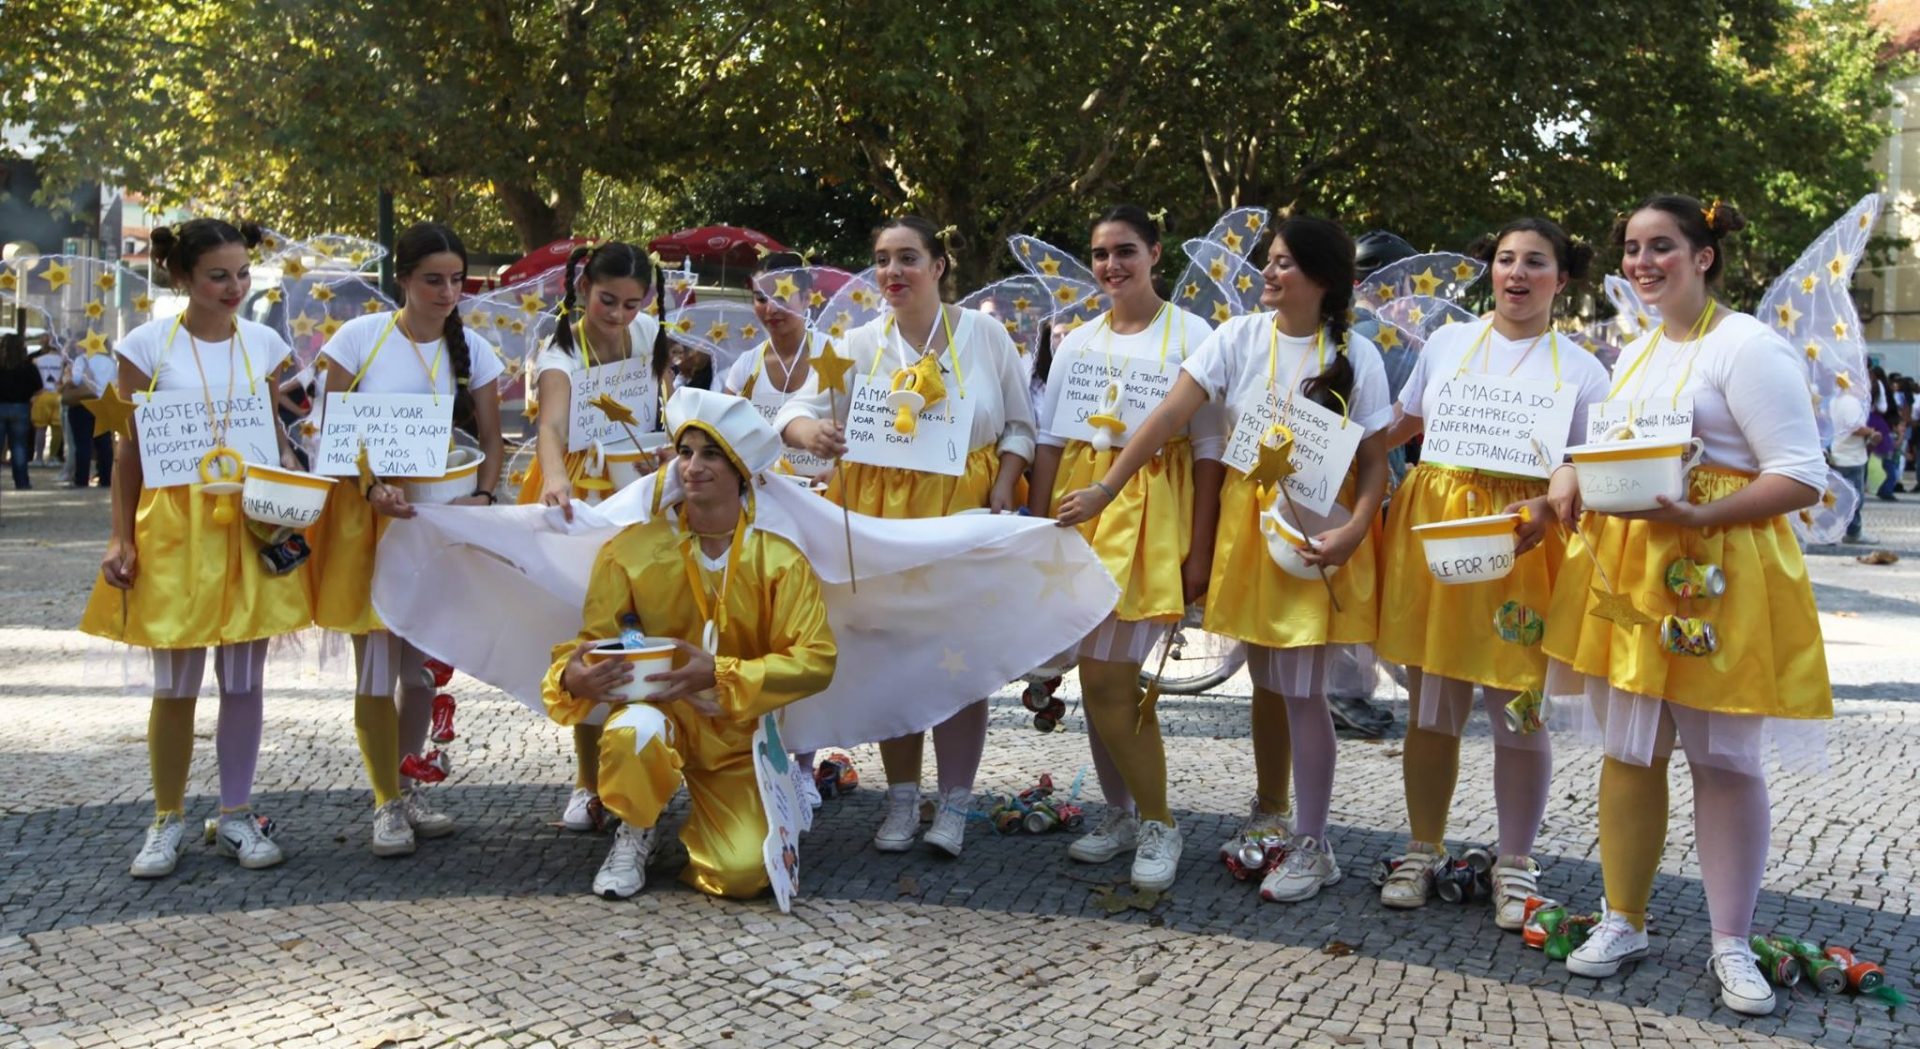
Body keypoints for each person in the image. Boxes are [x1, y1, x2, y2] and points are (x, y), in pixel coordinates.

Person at [1544, 196, 1830, 1016]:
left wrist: (1701, 515)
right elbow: (1600, 455)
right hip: (1636, 576)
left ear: (1703, 256)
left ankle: (1731, 942)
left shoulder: (1745, 346)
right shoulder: (1635, 353)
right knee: (1630, 752)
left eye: (1660, 246)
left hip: (1720, 575)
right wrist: (1565, 481)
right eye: (1631, 248)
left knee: (1724, 759)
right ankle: (1623, 917)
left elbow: (1800, 473)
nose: (1641, 262)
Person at [1058, 215, 1393, 904]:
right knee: (1271, 681)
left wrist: (1356, 532)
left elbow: (1374, 465)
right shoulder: (1238, 337)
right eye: (1267, 261)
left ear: (1322, 279)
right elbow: (1166, 418)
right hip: (1252, 536)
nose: (1267, 274)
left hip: (1311, 540)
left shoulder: (1358, 354)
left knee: (1303, 692)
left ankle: (1315, 843)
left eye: (1283, 264)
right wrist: (1107, 485)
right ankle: (1275, 813)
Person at [1372, 218, 1610, 928]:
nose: (1516, 273)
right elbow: (1402, 423)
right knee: (1431, 703)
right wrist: (1322, 445)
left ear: (1560, 280)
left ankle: (1515, 860)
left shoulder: (1584, 368)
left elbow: (1592, 467)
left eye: (1535, 262)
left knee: (1518, 711)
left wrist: (1556, 490)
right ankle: (1422, 846)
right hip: (1437, 535)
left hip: (1524, 546)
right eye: (1506, 259)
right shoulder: (1447, 343)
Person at [778, 216, 1037, 858]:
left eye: (908, 258)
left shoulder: (983, 336)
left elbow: (1019, 425)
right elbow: (793, 410)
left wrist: (1007, 481)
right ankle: (900, 797)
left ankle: (953, 802)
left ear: (939, 266)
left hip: (960, 514)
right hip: (880, 518)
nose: (893, 272)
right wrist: (811, 436)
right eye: (882, 259)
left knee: (959, 659)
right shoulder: (858, 343)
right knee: (894, 655)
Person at [77, 218, 313, 878]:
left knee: (243, 680)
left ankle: (236, 812)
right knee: (175, 682)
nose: (234, 286)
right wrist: (119, 536)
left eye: (243, 273)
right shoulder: (147, 345)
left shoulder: (263, 344)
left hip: (248, 526)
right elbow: (126, 455)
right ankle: (167, 817)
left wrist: (295, 467)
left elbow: (276, 433)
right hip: (176, 529)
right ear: (183, 277)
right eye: (218, 275)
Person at [546, 388, 836, 898]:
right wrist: (574, 676)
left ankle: (741, 808)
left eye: (710, 454)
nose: (692, 466)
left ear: (741, 469)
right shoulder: (631, 550)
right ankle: (635, 826)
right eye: (685, 452)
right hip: (659, 713)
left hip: (736, 735)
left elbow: (815, 660)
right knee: (634, 730)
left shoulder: (779, 559)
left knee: (743, 876)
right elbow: (591, 645)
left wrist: (720, 674)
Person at [1027, 206, 1224, 890]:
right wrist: (1033, 528)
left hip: (1149, 516)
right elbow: (1050, 443)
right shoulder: (1076, 340)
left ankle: (1161, 820)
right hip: (1080, 512)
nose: (1111, 264)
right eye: (1101, 253)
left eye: (1125, 250)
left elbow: (1207, 453)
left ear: (1156, 253)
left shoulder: (1192, 335)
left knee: (1112, 680)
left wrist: (1199, 551)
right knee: (1095, 677)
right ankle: (1121, 812)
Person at [307, 222, 505, 856]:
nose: (447, 292)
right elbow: (329, 432)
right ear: (404, 280)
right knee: (374, 668)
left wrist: (483, 496)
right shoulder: (359, 337)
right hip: (370, 521)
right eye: (433, 280)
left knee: (421, 671)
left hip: (436, 523)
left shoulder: (473, 347)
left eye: (456, 281)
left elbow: (494, 443)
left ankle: (410, 780)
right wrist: (369, 489)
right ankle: (384, 802)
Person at [522, 240, 668, 831]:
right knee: (589, 635)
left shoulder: (651, 334)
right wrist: (556, 481)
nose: (619, 315)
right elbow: (552, 426)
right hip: (581, 493)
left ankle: (638, 769)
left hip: (641, 487)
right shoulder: (560, 350)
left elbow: (657, 411)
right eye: (608, 300)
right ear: (583, 289)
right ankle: (587, 784)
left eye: (633, 304)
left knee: (647, 626)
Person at [62, 348, 118, 487]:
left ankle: (81, 478)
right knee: (104, 443)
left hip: (83, 405)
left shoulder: (82, 359)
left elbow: (75, 380)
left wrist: (67, 379)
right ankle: (106, 477)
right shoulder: (110, 362)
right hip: (104, 403)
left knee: (82, 444)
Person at [1829, 387, 1874, 544]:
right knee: (1854, 498)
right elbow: (1854, 427)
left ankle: (1830, 532)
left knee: (1838, 497)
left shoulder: (1835, 400)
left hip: (1839, 452)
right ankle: (1853, 533)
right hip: (1851, 456)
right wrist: (1870, 432)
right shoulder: (1851, 402)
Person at [0, 331, 36, 489]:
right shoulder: (27, 366)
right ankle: (22, 482)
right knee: (19, 446)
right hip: (21, 407)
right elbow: (38, 387)